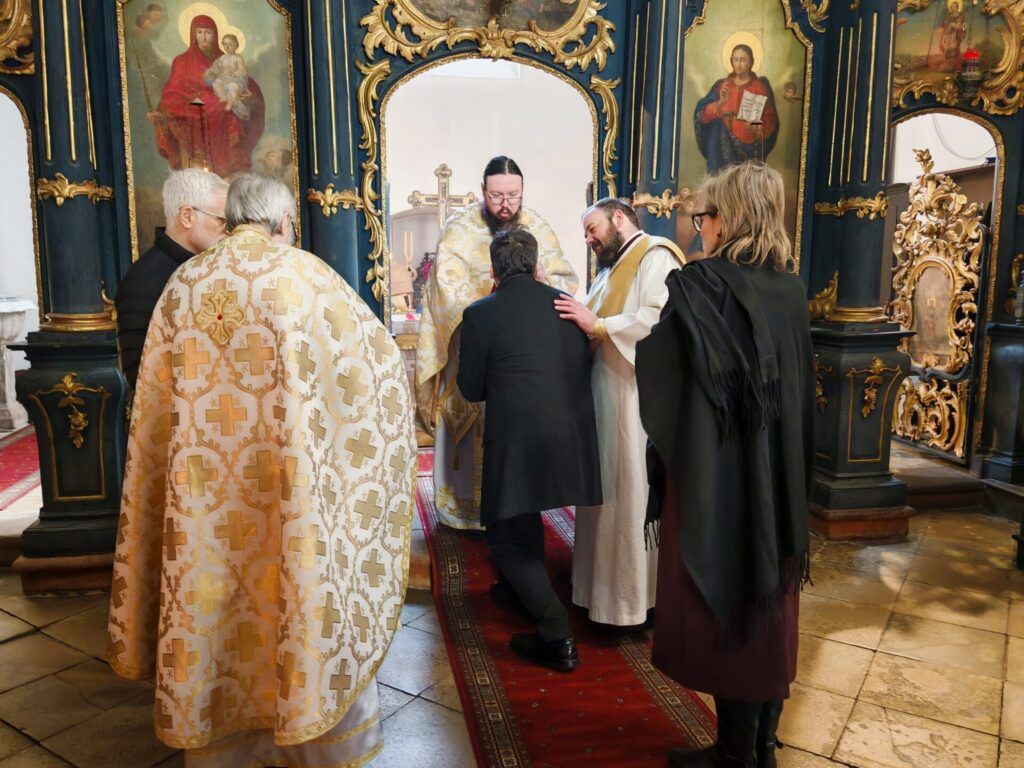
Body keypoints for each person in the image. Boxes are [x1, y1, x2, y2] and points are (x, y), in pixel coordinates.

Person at [108, 173, 416, 767]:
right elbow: (373, 369)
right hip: (289, 490)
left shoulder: (183, 284)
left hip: (205, 499)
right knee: (299, 589)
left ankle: (221, 735)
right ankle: (310, 731)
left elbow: (153, 403)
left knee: (213, 599)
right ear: (282, 222)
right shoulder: (305, 276)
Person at [635, 162, 814, 768]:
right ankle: (759, 746)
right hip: (778, 471)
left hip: (717, 475)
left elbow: (663, 373)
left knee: (724, 597)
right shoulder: (791, 288)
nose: (698, 228)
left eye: (702, 216)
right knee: (770, 597)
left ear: (728, 217)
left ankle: (735, 754)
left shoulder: (700, 285)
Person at [457, 229, 601, 672]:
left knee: (504, 533)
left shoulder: (479, 313)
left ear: (493, 271)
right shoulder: (568, 305)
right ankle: (521, 592)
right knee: (527, 510)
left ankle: (557, 635)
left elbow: (471, 389)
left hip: (518, 438)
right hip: (573, 434)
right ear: (537, 267)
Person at [416, 155, 578, 530]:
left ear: (522, 191)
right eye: (497, 196)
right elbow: (446, 290)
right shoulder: (459, 229)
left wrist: (533, 290)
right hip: (474, 348)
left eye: (513, 196)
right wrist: (493, 310)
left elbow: (563, 281)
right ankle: (464, 512)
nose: (505, 204)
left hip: (522, 357)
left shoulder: (537, 226)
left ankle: (519, 511)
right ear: (483, 190)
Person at [554, 198, 685, 627]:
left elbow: (657, 320)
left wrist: (599, 326)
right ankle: (598, 595)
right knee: (604, 495)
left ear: (619, 218)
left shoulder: (656, 256)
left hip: (632, 398)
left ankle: (632, 603)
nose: (588, 239)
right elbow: (584, 316)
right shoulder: (608, 271)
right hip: (604, 396)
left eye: (592, 229)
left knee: (627, 493)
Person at [115, 168, 228, 390]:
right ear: (187, 216)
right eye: (222, 220)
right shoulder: (143, 281)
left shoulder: (212, 267)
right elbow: (142, 372)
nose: (229, 231)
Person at [151, 14, 265, 176]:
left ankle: (231, 171)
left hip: (223, 104)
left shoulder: (224, 57)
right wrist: (162, 111)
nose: (204, 37)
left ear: (215, 35)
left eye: (208, 32)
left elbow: (244, 79)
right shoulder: (182, 61)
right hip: (196, 109)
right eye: (199, 32)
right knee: (221, 107)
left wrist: (249, 93)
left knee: (231, 110)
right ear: (193, 34)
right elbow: (173, 92)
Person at [695, 44, 779, 172]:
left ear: (751, 62)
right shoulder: (721, 85)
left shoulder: (759, 87)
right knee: (717, 126)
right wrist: (720, 103)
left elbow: (770, 121)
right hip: (720, 146)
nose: (738, 64)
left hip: (748, 146)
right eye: (736, 60)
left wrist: (756, 127)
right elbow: (702, 116)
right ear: (731, 61)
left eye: (743, 60)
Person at [205, 34, 251, 120]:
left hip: (236, 80)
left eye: (230, 44)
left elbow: (242, 71)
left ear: (236, 45)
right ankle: (225, 98)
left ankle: (231, 102)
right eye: (225, 44)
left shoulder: (238, 58)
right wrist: (214, 72)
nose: (227, 47)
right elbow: (219, 68)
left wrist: (234, 74)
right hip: (225, 79)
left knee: (232, 86)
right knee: (216, 83)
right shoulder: (222, 58)